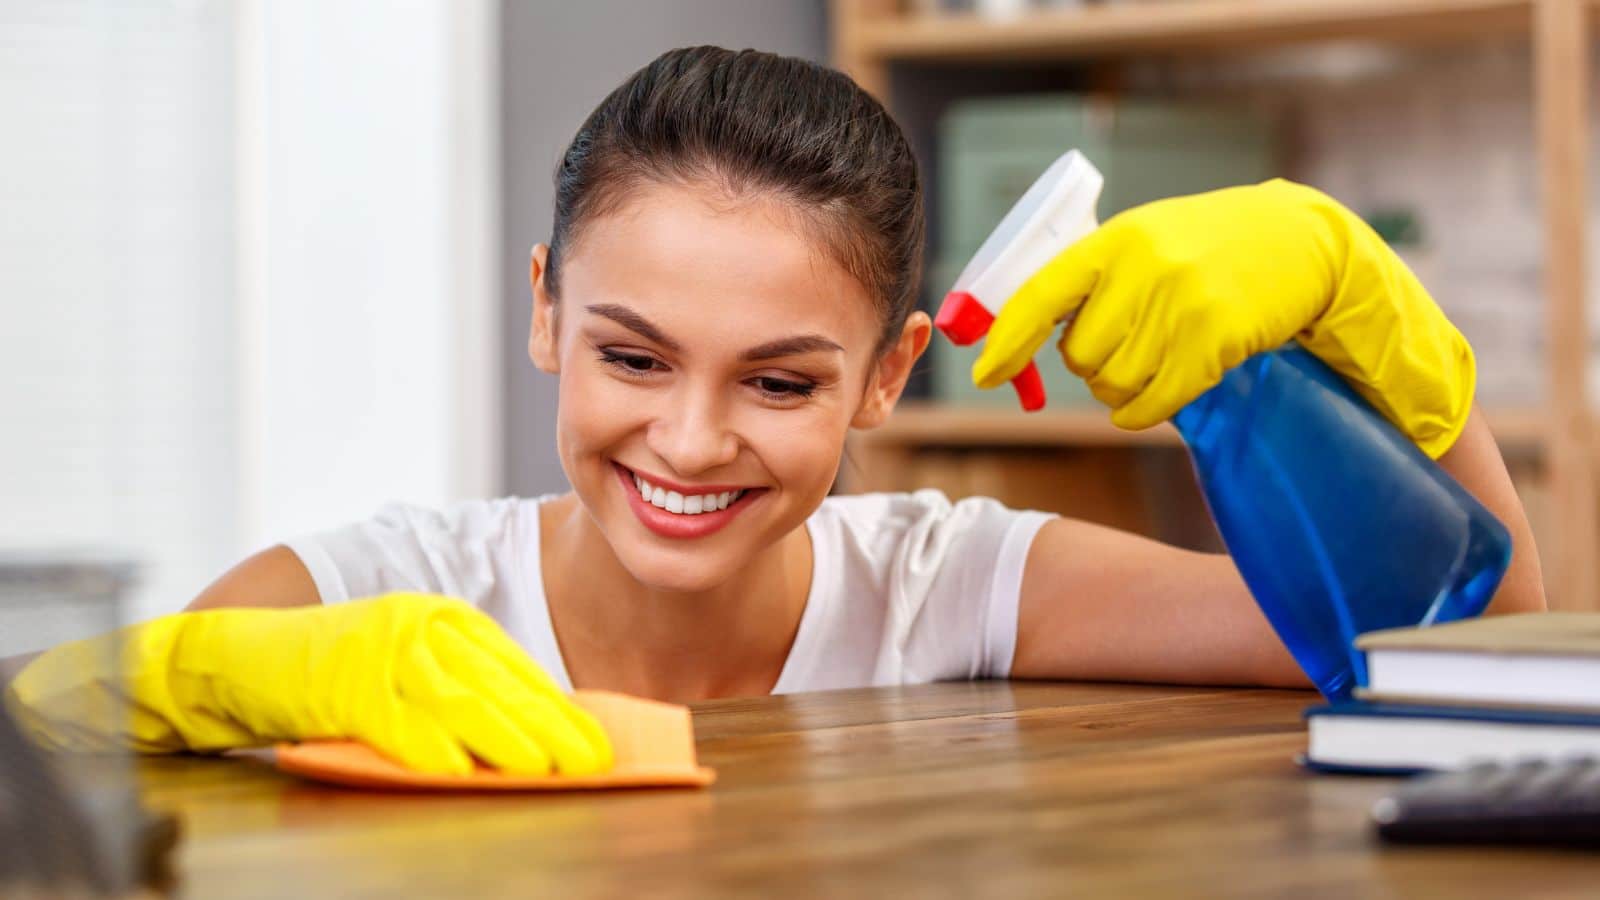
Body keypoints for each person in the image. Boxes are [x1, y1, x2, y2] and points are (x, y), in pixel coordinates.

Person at [4, 46, 1545, 777]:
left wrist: (1373, 317)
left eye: (784, 381)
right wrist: (210, 672)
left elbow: (1470, 658)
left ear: (887, 377)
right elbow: (38, 755)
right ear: (544, 308)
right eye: (632, 357)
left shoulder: (948, 581)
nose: (688, 440)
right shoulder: (378, 594)